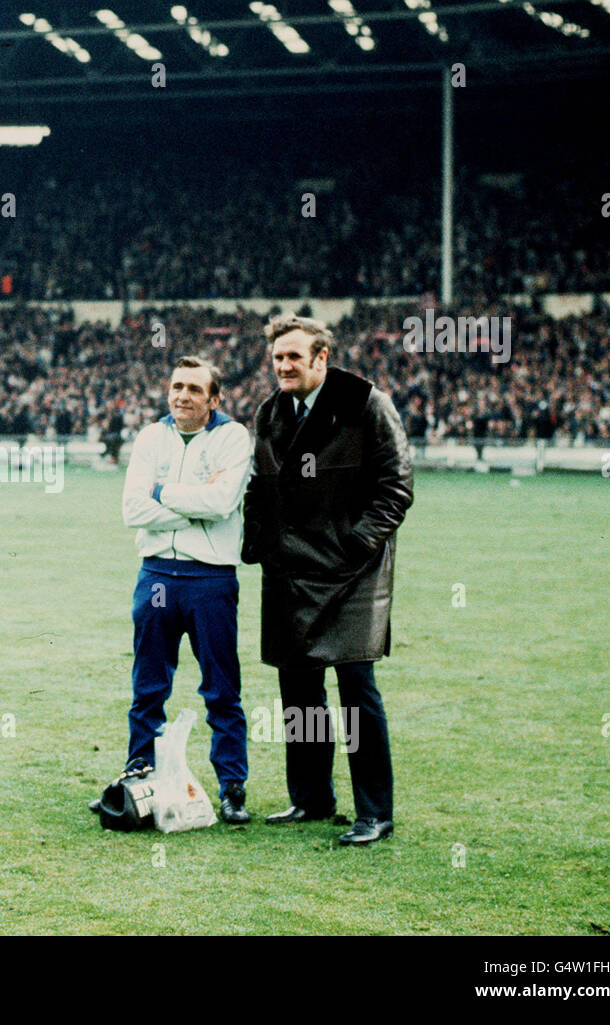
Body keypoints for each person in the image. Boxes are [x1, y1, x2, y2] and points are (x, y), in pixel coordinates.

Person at [241, 314, 413, 845]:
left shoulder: (367, 404)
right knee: (297, 692)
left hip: (351, 574)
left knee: (357, 691)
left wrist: (356, 544)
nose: (284, 366)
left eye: (294, 356)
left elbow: (397, 486)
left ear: (322, 358)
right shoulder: (270, 412)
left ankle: (375, 814)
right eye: (277, 358)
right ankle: (311, 800)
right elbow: (259, 488)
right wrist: (258, 542)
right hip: (289, 572)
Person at [93, 355, 253, 823]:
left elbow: (223, 502)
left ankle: (232, 788)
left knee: (222, 690)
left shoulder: (232, 437)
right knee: (148, 687)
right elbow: (131, 511)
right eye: (176, 387)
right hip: (157, 575)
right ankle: (137, 782)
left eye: (194, 390)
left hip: (210, 579)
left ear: (214, 399)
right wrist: (194, 503)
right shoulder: (150, 436)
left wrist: (162, 492)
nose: (182, 396)